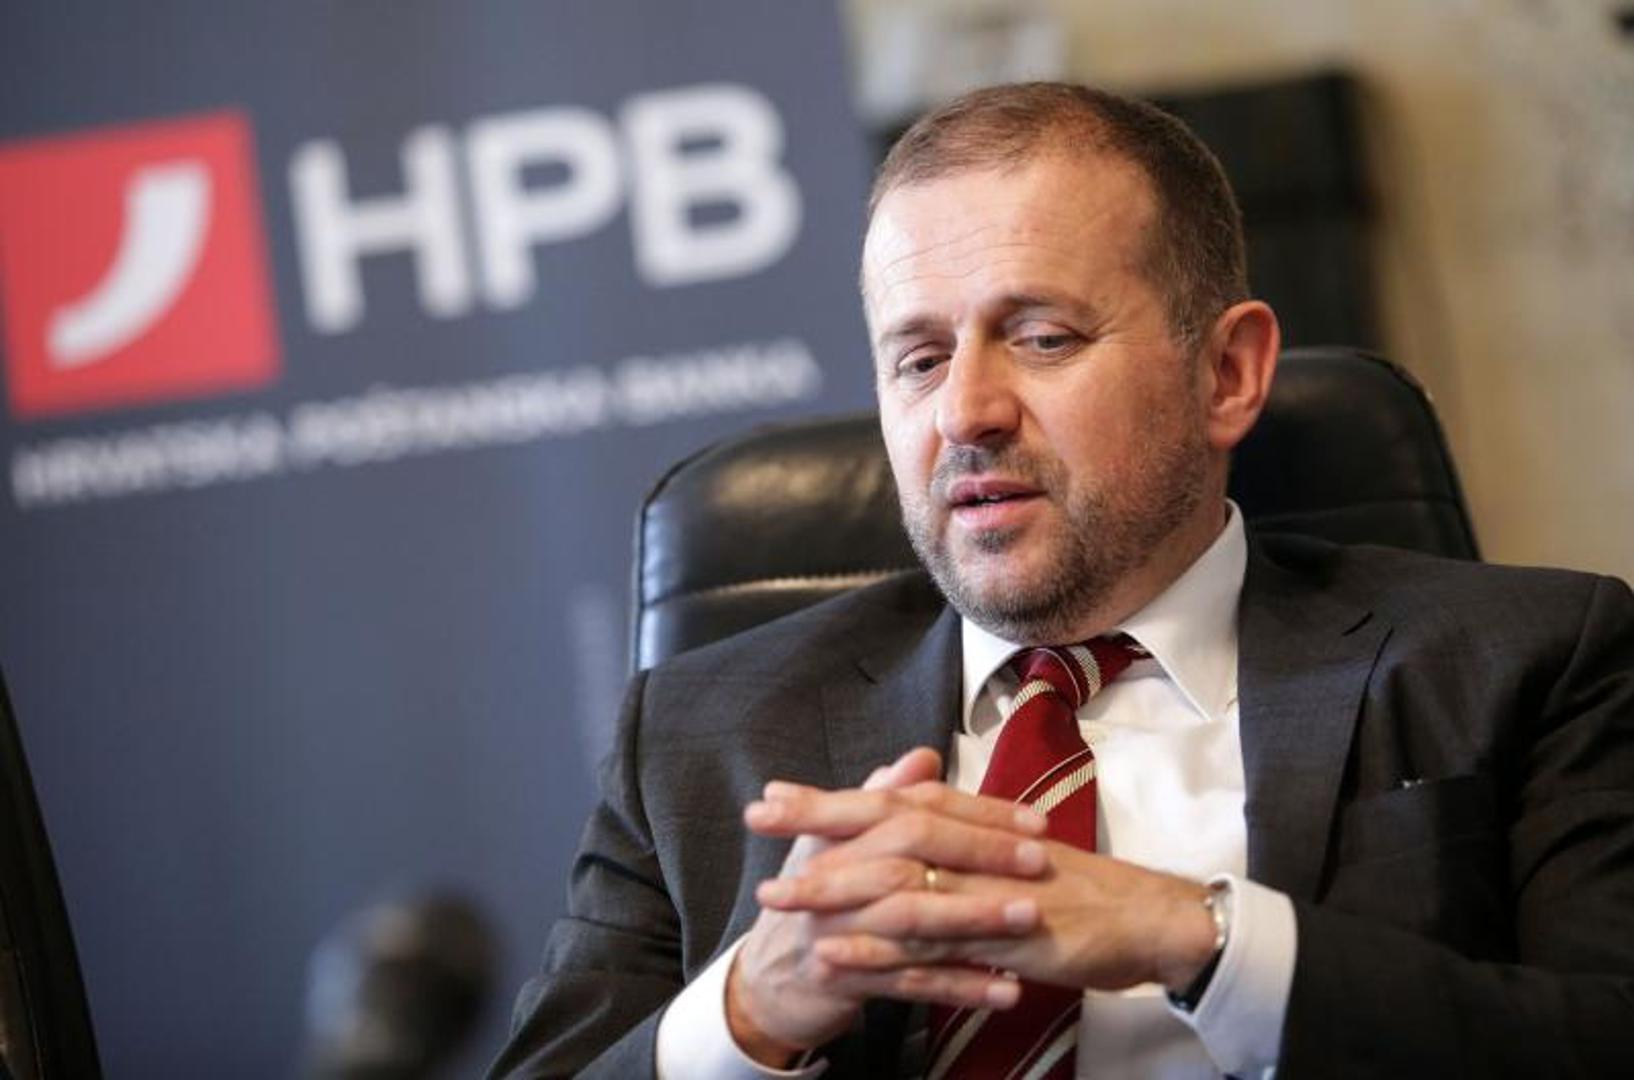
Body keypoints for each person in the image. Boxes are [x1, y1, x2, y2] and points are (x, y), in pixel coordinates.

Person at [491, 83, 1634, 1078]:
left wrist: (1203, 939)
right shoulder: (696, 738)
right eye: (918, 358)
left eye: (1040, 337)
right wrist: (747, 1014)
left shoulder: (1532, 659)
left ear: (1226, 374)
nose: (964, 412)